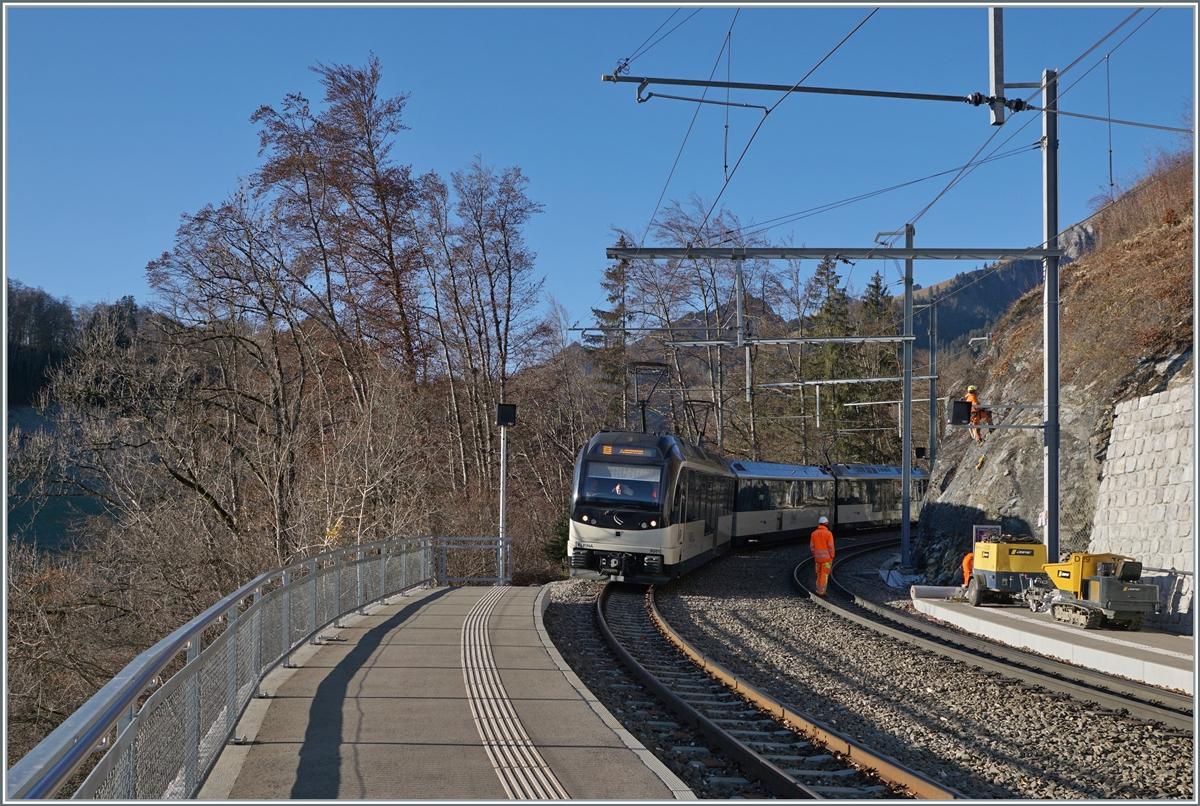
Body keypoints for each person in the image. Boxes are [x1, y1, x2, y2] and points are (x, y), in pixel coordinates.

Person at [809, 516, 835, 596]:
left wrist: (815, 555)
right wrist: (832, 556)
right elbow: (831, 547)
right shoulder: (828, 534)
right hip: (826, 559)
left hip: (817, 559)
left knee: (819, 574)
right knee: (824, 574)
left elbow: (812, 546)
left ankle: (818, 589)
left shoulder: (814, 534)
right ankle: (822, 591)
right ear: (826, 524)